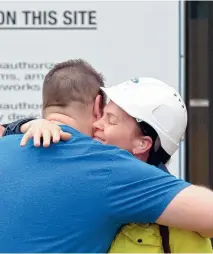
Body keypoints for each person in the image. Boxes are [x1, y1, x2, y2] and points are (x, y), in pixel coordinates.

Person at [0, 60, 213, 252]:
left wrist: (21, 126)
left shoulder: (10, 144)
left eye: (110, 120)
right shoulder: (108, 169)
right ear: (96, 106)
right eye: (103, 115)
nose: (98, 124)